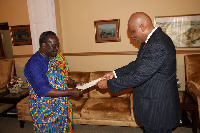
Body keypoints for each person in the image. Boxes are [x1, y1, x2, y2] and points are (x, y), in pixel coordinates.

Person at [97, 12, 180, 133]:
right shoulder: (151, 41)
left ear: (143, 27)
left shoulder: (158, 43)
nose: (131, 36)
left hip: (158, 110)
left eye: (132, 31)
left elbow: (138, 76)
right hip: (153, 106)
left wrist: (109, 84)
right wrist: (115, 73)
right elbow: (137, 64)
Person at [24, 31, 83, 133]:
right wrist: (70, 92)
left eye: (58, 46)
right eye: (54, 46)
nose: (57, 49)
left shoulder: (53, 59)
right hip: (45, 111)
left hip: (60, 108)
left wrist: (74, 83)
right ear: (44, 45)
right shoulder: (35, 64)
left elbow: (61, 76)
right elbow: (43, 90)